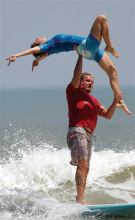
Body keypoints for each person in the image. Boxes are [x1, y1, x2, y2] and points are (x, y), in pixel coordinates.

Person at [6, 15, 131, 115]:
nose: (37, 37)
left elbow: (41, 55)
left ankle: (120, 101)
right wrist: (16, 55)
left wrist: (37, 61)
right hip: (86, 47)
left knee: (113, 73)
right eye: (35, 41)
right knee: (101, 18)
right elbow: (34, 51)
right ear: (38, 45)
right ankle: (109, 46)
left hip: (90, 50)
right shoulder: (47, 46)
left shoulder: (50, 48)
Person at [66, 46, 123, 205]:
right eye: (87, 81)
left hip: (88, 135)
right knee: (83, 163)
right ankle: (80, 199)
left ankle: (81, 198)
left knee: (86, 167)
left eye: (92, 82)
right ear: (81, 82)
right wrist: (80, 56)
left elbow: (108, 115)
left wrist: (115, 101)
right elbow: (76, 75)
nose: (90, 83)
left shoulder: (93, 100)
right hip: (77, 131)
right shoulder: (73, 92)